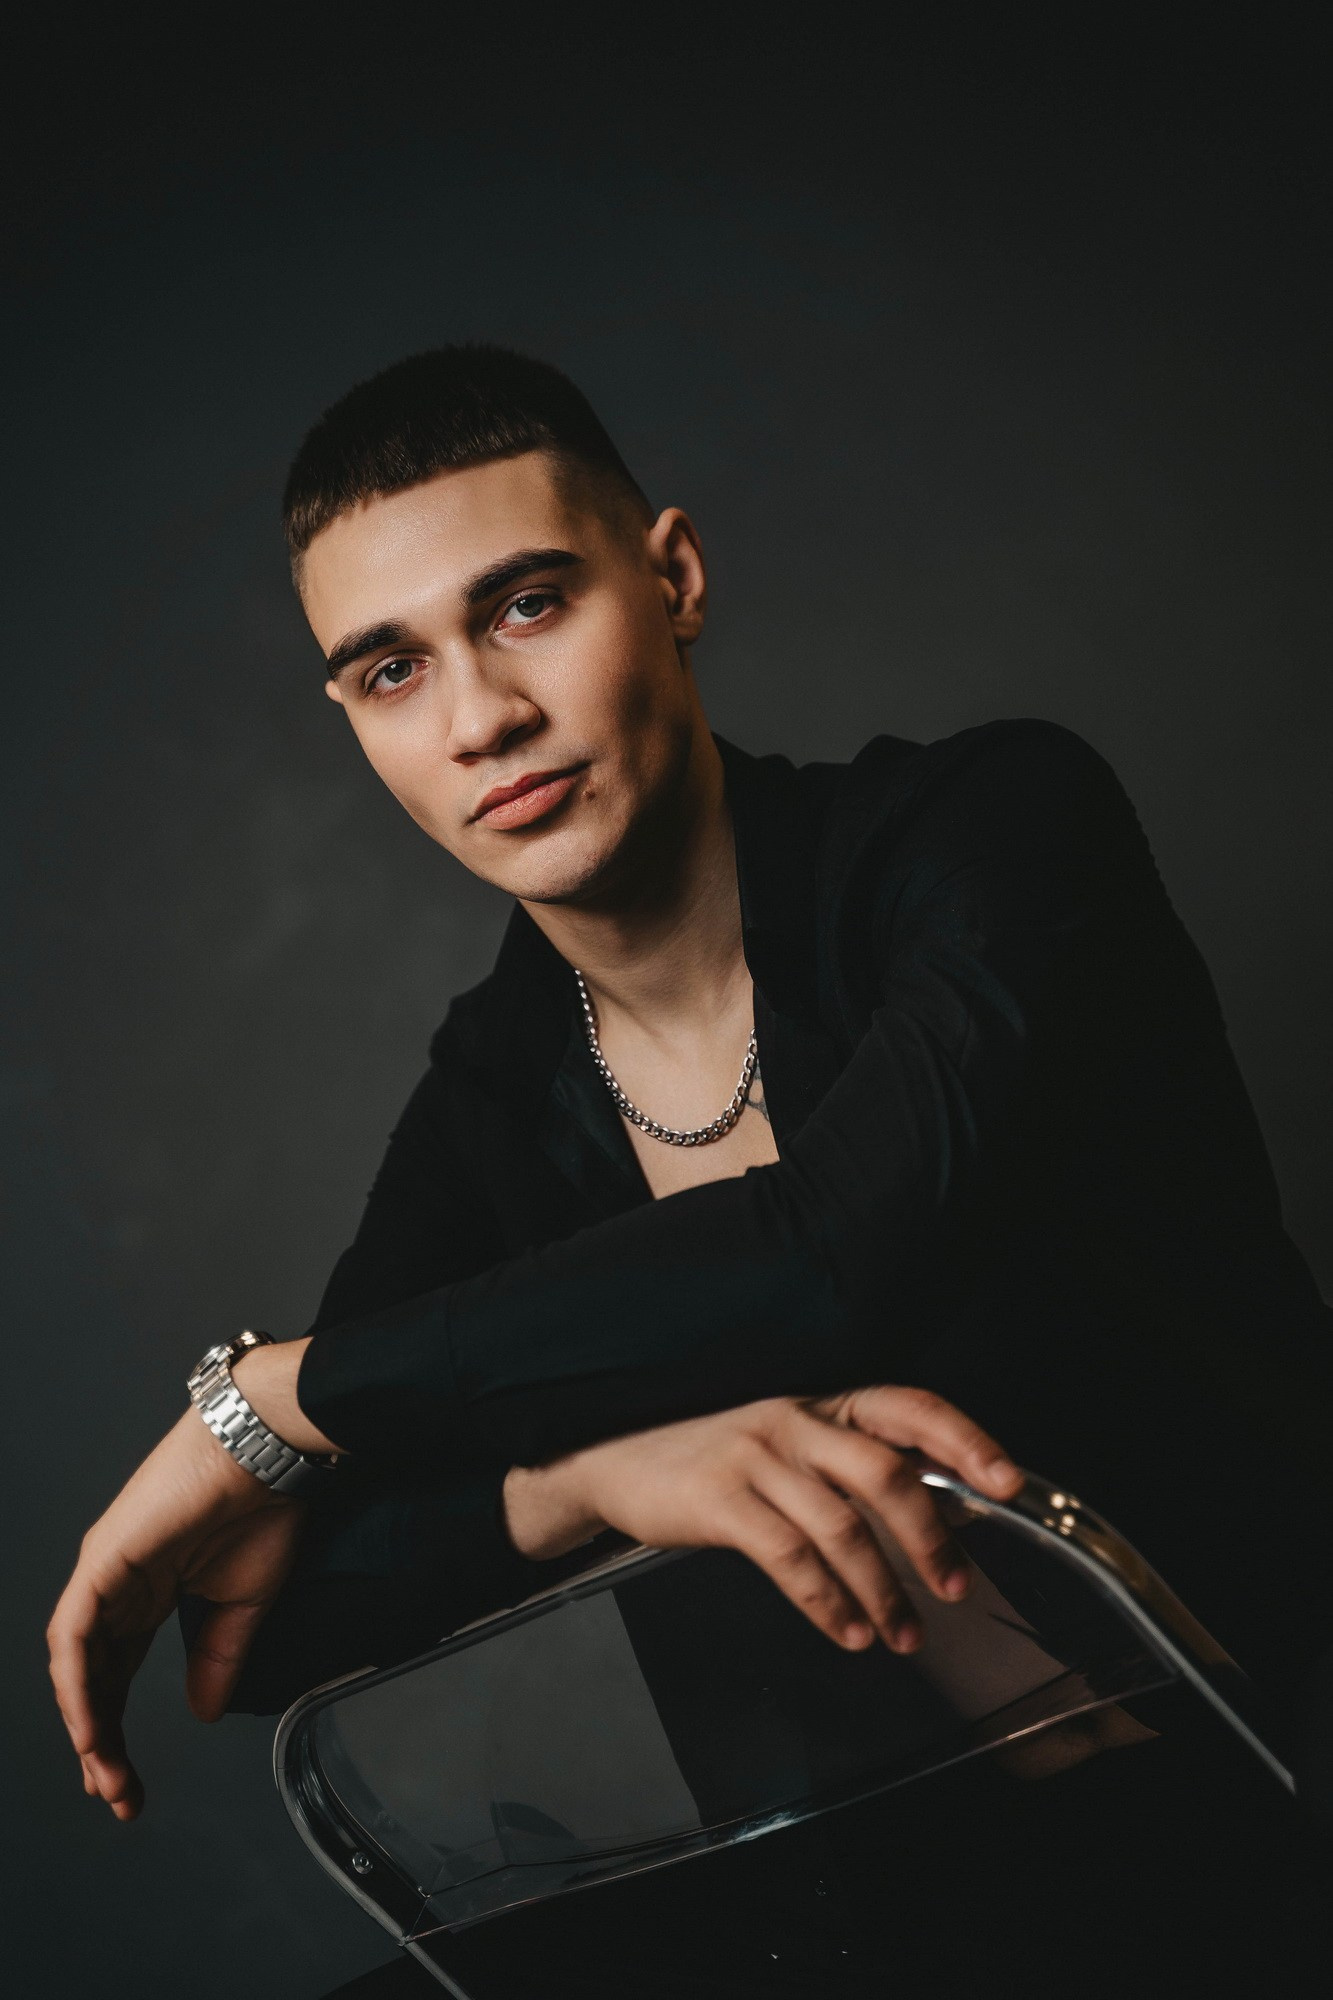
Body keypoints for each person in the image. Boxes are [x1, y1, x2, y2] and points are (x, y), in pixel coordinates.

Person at [48, 345, 1332, 1995]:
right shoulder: (497, 1092)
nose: (480, 719)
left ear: (672, 580)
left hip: (1259, 1812)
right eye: (390, 669)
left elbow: (827, 1254)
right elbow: (284, 1615)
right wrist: (595, 1481)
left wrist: (277, 1397)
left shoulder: (991, 828)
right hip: (866, 1892)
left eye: (526, 605)